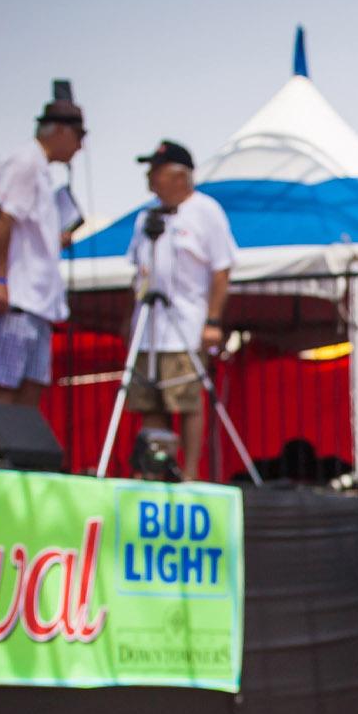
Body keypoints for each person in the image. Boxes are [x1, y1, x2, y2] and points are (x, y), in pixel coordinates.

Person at [0, 91, 85, 407]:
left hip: (33, 302)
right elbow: (2, 216)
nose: (80, 146)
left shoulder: (40, 168)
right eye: (78, 136)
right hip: (12, 297)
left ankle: (21, 455)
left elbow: (23, 228)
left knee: (32, 385)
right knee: (4, 386)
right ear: (59, 130)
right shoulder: (25, 160)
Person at [124, 141, 237, 481]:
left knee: (186, 401)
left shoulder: (206, 211)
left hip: (186, 326)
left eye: (156, 172)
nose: (150, 179)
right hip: (149, 329)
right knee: (150, 403)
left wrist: (213, 320)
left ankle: (189, 473)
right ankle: (155, 472)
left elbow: (222, 269)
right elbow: (137, 270)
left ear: (179, 176)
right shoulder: (147, 216)